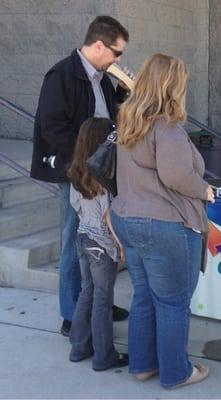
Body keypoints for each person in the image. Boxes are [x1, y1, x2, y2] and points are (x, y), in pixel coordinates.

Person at [110, 54, 214, 388]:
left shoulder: (129, 119)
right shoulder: (166, 125)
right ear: (172, 85)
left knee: (144, 295)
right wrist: (205, 190)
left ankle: (143, 365)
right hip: (164, 223)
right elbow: (176, 175)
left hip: (128, 218)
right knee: (173, 303)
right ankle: (175, 372)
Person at [30, 15, 130, 337]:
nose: (118, 60)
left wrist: (125, 94)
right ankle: (72, 314)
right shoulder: (62, 75)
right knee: (75, 242)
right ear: (99, 45)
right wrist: (85, 162)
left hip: (102, 170)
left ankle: (99, 303)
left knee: (104, 240)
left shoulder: (101, 77)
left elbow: (108, 118)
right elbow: (53, 128)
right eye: (117, 52)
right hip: (77, 172)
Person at [66, 117, 128, 371]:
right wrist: (120, 245)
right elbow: (108, 216)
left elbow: (76, 207)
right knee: (103, 299)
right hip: (102, 245)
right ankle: (104, 356)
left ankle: (79, 347)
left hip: (83, 238)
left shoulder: (75, 173)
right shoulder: (104, 176)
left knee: (87, 292)